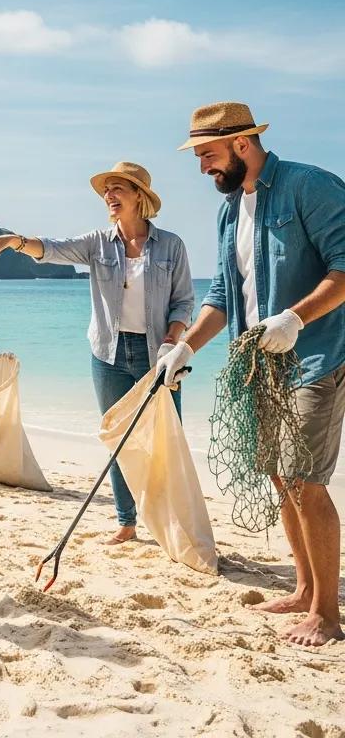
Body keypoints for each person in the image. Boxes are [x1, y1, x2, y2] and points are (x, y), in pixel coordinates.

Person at [155, 102, 345, 648]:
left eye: (208, 155)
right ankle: (306, 588)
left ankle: (328, 616)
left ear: (242, 144)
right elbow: (222, 296)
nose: (202, 168)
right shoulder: (229, 210)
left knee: (305, 480)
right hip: (259, 366)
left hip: (315, 355)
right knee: (280, 478)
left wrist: (294, 317)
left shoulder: (310, 186)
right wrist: (183, 347)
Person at [0, 161, 193, 544]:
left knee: (165, 439)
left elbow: (183, 303)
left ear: (139, 196)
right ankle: (126, 522)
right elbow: (54, 249)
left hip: (157, 354)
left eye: (118, 189)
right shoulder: (96, 242)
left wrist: (172, 344)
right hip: (107, 354)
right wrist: (16, 241)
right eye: (106, 190)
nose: (109, 196)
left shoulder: (171, 246)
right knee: (117, 438)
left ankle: (171, 521)